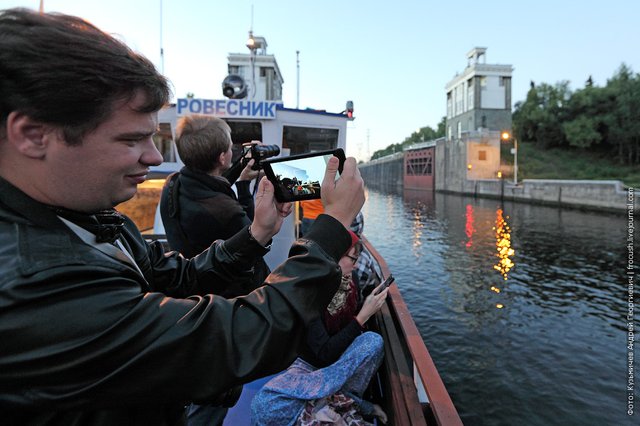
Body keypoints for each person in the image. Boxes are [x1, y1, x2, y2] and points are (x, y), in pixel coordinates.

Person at [0, 8, 365, 426]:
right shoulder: (33, 283)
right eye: (132, 138)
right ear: (32, 136)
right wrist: (331, 229)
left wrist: (257, 232)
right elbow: (232, 342)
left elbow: (179, 276)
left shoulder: (89, 218)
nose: (156, 157)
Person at [251, 241, 390, 425]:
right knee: (263, 406)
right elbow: (324, 353)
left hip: (338, 365)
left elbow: (345, 341)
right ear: (334, 258)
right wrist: (362, 317)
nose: (356, 265)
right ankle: (344, 401)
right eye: (353, 259)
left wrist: (360, 318)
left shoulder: (351, 282)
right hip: (308, 368)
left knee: (373, 341)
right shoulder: (312, 291)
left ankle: (329, 400)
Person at [160, 115, 270, 293]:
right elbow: (255, 237)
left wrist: (240, 168)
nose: (232, 150)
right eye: (230, 148)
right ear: (221, 158)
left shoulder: (172, 183)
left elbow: (208, 185)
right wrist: (243, 186)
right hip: (232, 296)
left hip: (193, 284)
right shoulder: (227, 212)